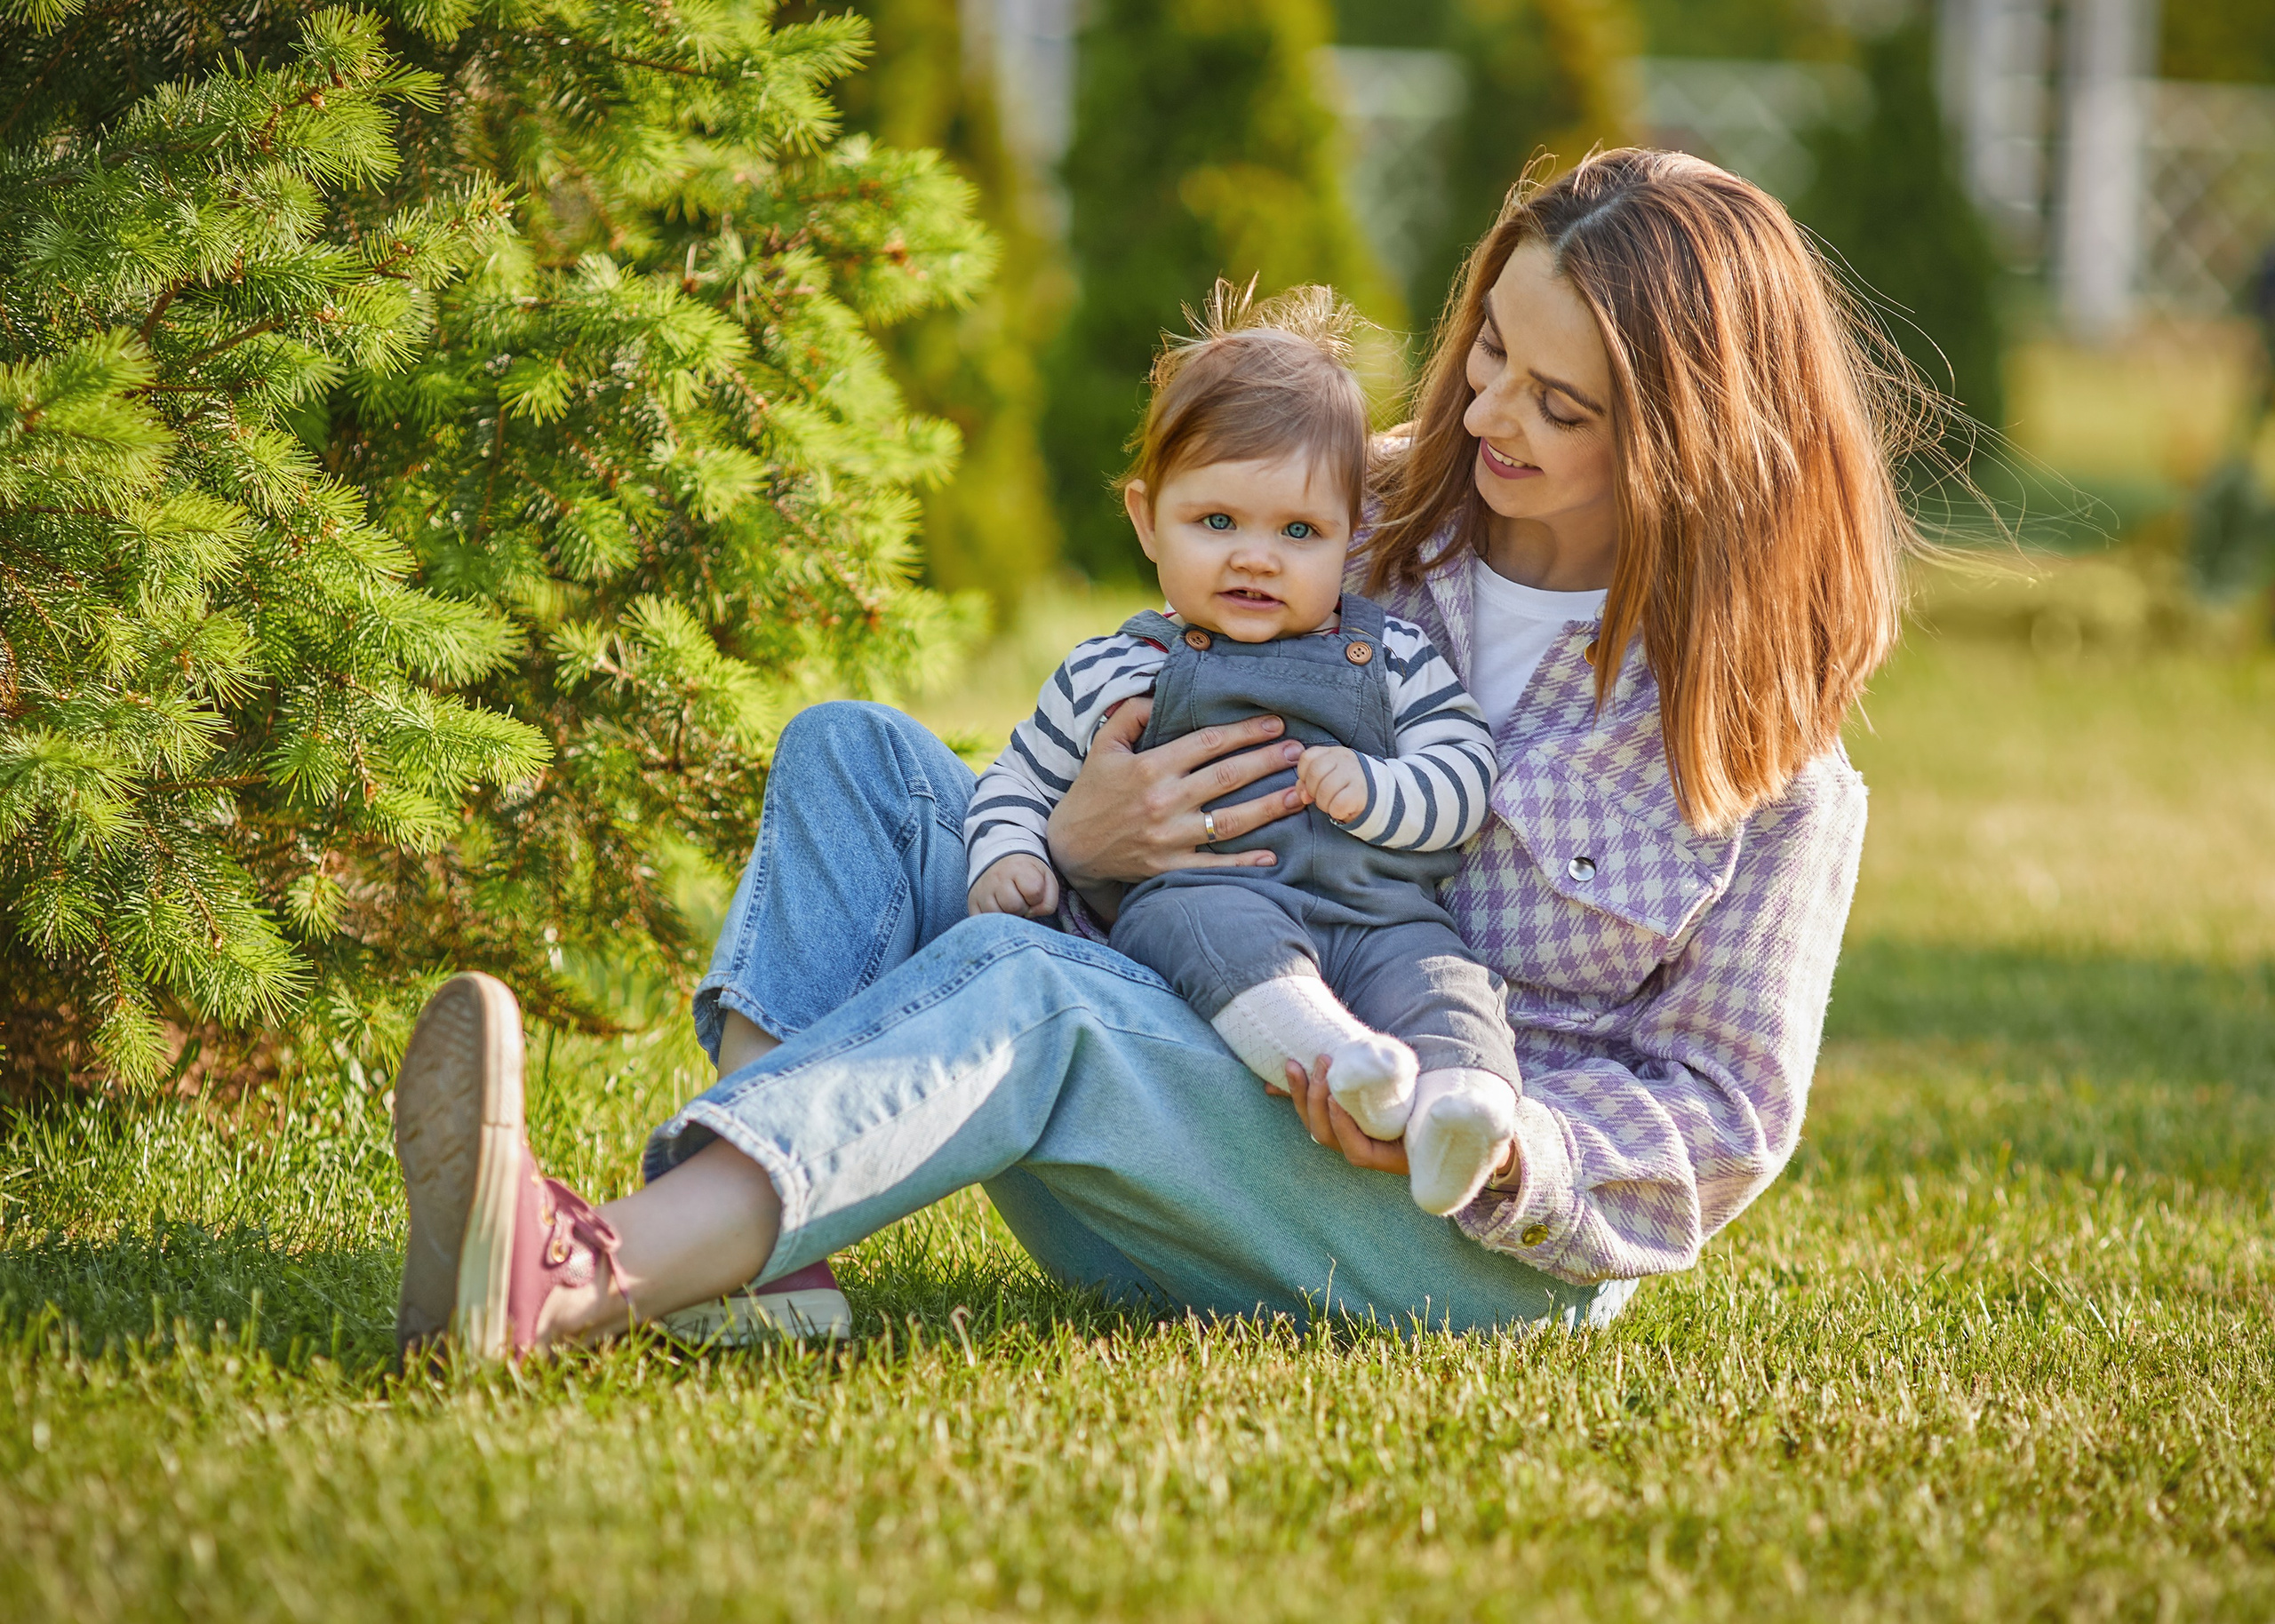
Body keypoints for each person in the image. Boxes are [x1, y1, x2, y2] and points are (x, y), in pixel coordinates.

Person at [390, 147, 1910, 1363]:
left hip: (1445, 1237)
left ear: (1687, 437)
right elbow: (1131, 694)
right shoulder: (1359, 513)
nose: (1489, 411)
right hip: (1196, 1025)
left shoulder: (1767, 754)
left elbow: (1723, 1112)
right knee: (857, 755)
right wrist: (1077, 831)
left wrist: (1509, 1145)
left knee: (1038, 991)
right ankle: (769, 1254)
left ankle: (583, 1274)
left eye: (1559, 402)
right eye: (1492, 351)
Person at [970, 280, 1519, 1217]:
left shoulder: (1387, 653)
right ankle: (1334, 1054)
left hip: (1380, 913)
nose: (1255, 557)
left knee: (1449, 981)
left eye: (1298, 531)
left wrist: (1380, 789)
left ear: (1350, 537)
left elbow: (1467, 770)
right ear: (1147, 519)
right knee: (1201, 922)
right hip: (1212, 899)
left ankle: (1460, 1110)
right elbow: (1016, 778)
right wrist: (1012, 852)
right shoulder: (1118, 668)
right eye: (1216, 522)